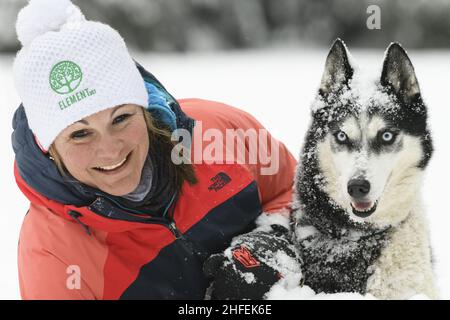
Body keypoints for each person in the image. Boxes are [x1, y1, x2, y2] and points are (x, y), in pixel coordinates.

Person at [12, 0, 298, 299]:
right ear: (50, 148)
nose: (110, 150)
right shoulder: (52, 252)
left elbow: (303, 194)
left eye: (121, 118)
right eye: (80, 134)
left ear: (144, 108)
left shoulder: (219, 131)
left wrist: (270, 241)